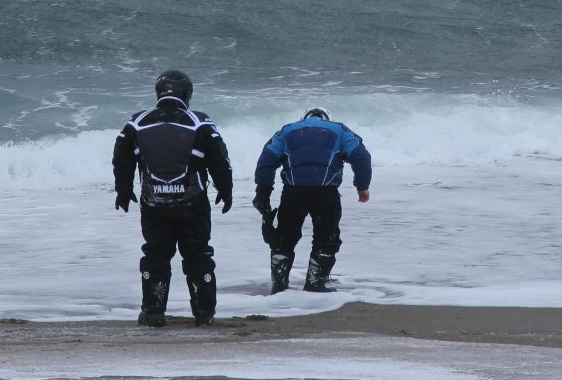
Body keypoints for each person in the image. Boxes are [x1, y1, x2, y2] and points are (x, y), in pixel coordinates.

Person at [112, 70, 232, 327]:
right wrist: (226, 189)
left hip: (153, 202)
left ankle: (153, 312)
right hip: (193, 204)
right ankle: (204, 314)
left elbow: (121, 158)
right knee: (198, 256)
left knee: (155, 256)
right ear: (187, 95)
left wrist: (123, 191)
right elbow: (220, 160)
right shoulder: (200, 122)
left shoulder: (136, 123)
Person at [252, 106, 371, 293]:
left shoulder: (286, 130)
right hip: (325, 193)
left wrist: (262, 193)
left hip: (293, 192)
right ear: (328, 118)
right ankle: (315, 283)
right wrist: (362, 187)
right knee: (327, 239)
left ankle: (279, 285)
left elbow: (267, 159)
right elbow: (361, 156)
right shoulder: (340, 130)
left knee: (285, 238)